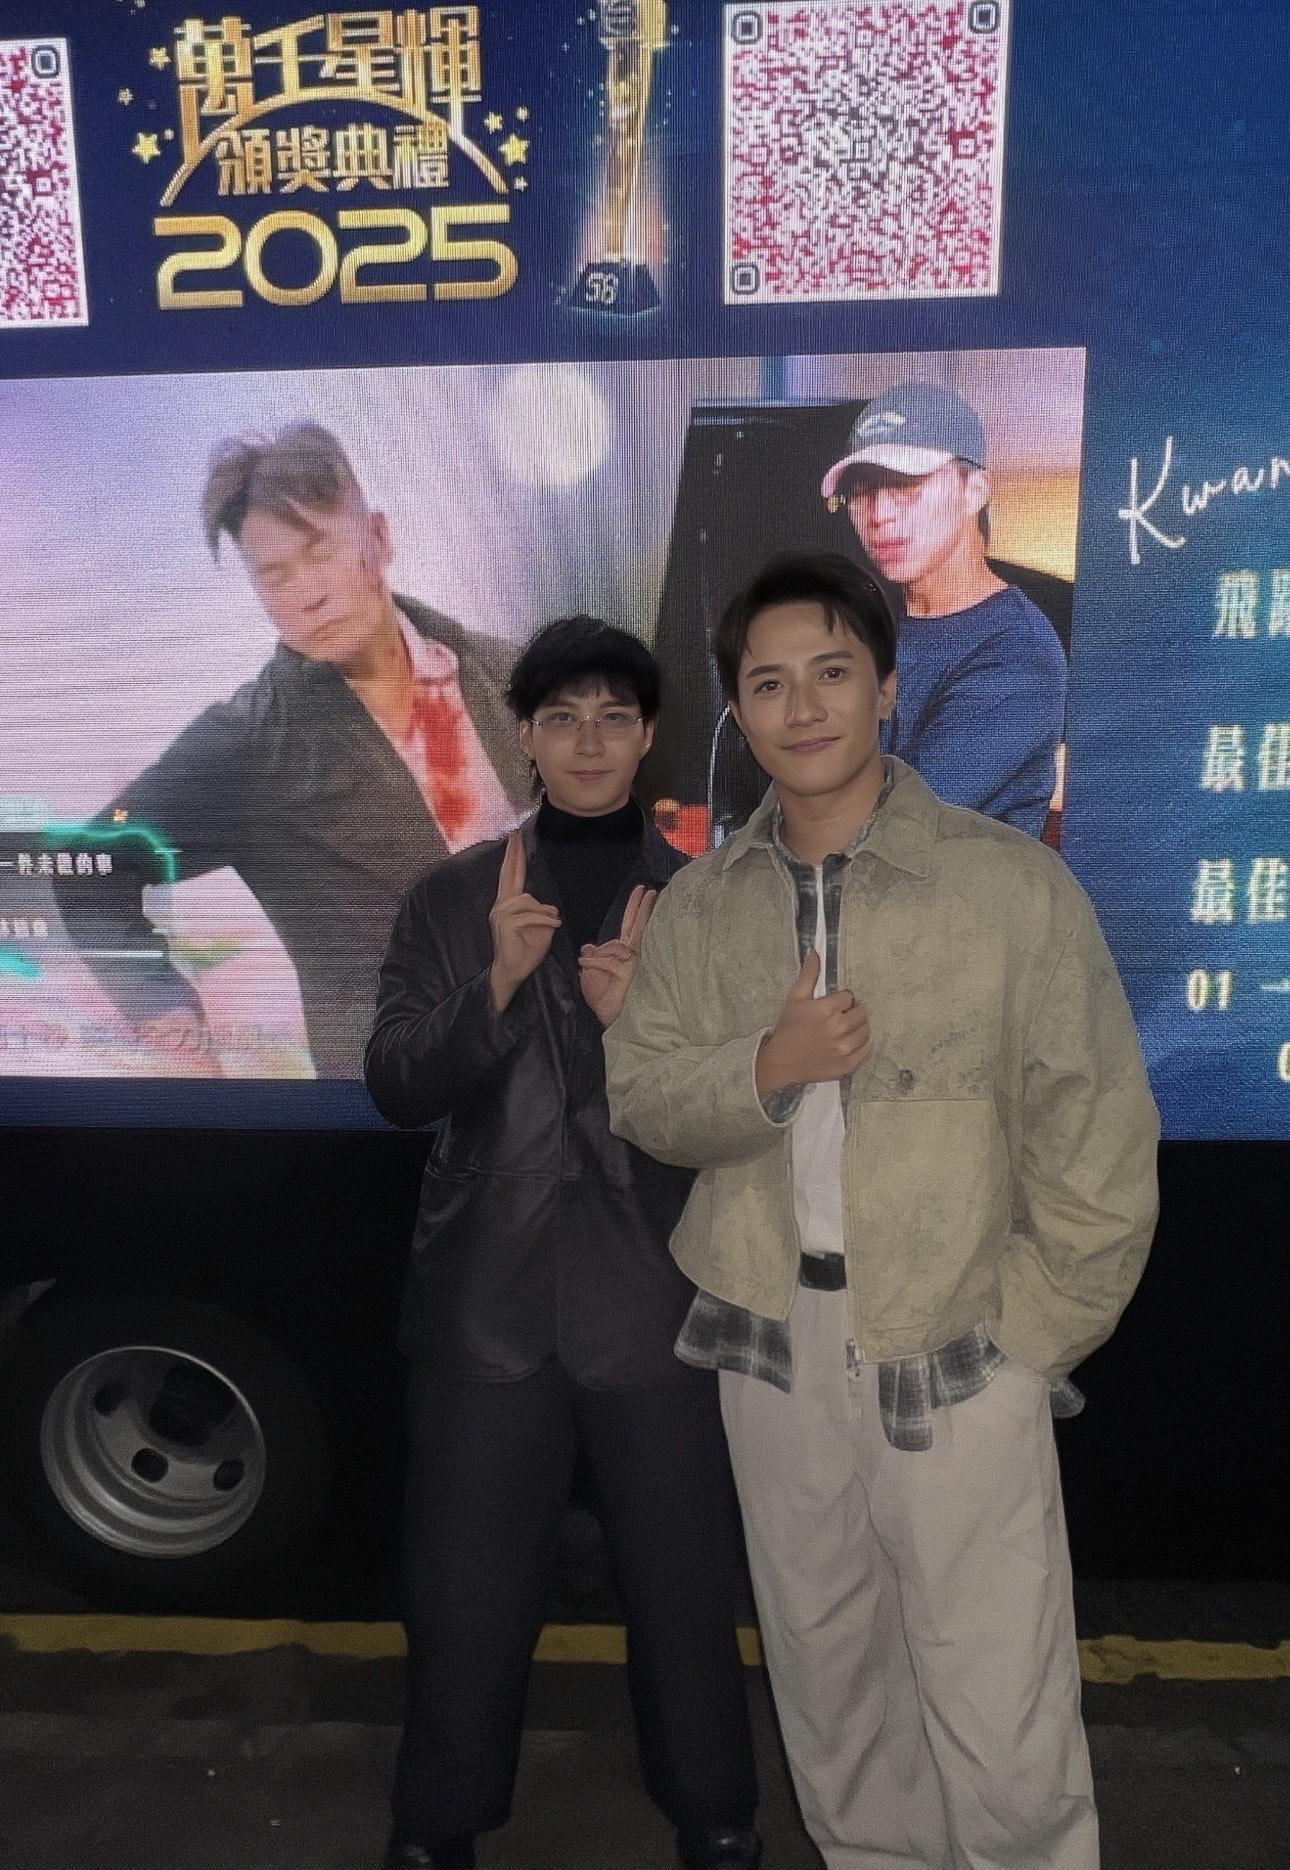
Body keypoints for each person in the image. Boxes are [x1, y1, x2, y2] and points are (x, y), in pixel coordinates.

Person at [605, 553, 1159, 1869]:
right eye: (768, 684)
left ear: (888, 688)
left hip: (958, 1337)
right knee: (833, 1691)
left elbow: (1097, 1135)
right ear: (738, 712)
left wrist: (1026, 1342)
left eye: (832, 672)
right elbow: (645, 1094)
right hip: (771, 1343)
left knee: (1000, 1705)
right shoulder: (705, 901)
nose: (802, 707)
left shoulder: (1008, 887)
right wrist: (766, 1068)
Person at [364, 617, 759, 1870]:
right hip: (486, 1306)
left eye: (614, 717)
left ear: (650, 736)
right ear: (524, 736)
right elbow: (395, 1082)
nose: (590, 741)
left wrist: (636, 1024)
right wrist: (491, 986)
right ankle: (437, 1822)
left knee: (685, 1589)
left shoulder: (707, 900)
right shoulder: (450, 896)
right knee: (463, 1595)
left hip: (661, 1299)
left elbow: (745, 1102)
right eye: (563, 718)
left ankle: (716, 1813)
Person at [55, 422, 528, 1077]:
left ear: (379, 538)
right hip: (396, 1108)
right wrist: (169, 1019)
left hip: (560, 1090)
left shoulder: (516, 676)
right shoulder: (251, 744)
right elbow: (89, 869)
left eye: (321, 551)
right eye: (276, 575)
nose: (309, 594)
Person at [821, 380, 1067, 837]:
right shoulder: (870, 632)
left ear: (975, 490)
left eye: (906, 486)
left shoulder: (1018, 654)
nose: (879, 514)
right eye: (861, 491)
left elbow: (892, 831)